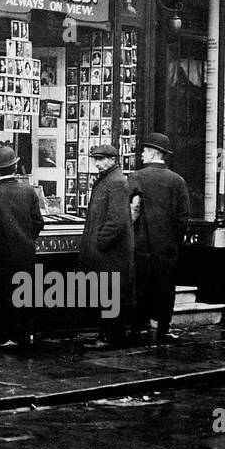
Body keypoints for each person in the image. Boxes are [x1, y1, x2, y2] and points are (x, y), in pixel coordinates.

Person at [127, 133, 191, 345]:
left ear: (154, 153)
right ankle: (163, 329)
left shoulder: (136, 177)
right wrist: (174, 240)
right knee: (165, 287)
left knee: (140, 287)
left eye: (145, 151)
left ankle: (137, 329)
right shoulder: (177, 181)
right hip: (167, 246)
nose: (141, 154)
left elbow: (132, 210)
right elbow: (183, 217)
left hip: (141, 244)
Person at [0, 145, 44, 349]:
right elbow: (38, 222)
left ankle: (4, 337)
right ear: (15, 167)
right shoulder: (29, 191)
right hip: (26, 254)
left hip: (0, 257)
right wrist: (26, 239)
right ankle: (24, 335)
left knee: (4, 296)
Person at [79, 143, 135, 350]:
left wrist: (100, 242)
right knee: (107, 294)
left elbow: (116, 220)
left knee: (111, 295)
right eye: (96, 159)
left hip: (111, 253)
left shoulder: (116, 182)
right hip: (107, 253)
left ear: (113, 160)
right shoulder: (108, 180)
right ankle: (108, 335)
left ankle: (111, 338)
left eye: (101, 159)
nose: (97, 163)